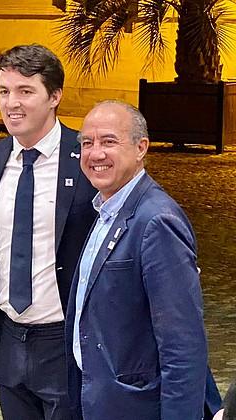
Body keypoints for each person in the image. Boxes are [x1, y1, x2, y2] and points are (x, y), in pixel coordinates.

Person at [65, 100, 209, 419]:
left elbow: (183, 345)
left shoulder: (156, 221)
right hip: (97, 401)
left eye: (109, 141)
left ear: (141, 147)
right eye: (87, 143)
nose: (95, 153)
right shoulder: (106, 210)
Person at [0, 44, 97, 420]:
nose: (12, 103)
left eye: (25, 91)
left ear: (55, 96)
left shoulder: (87, 159)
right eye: (4, 91)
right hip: (10, 338)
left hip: (65, 340)